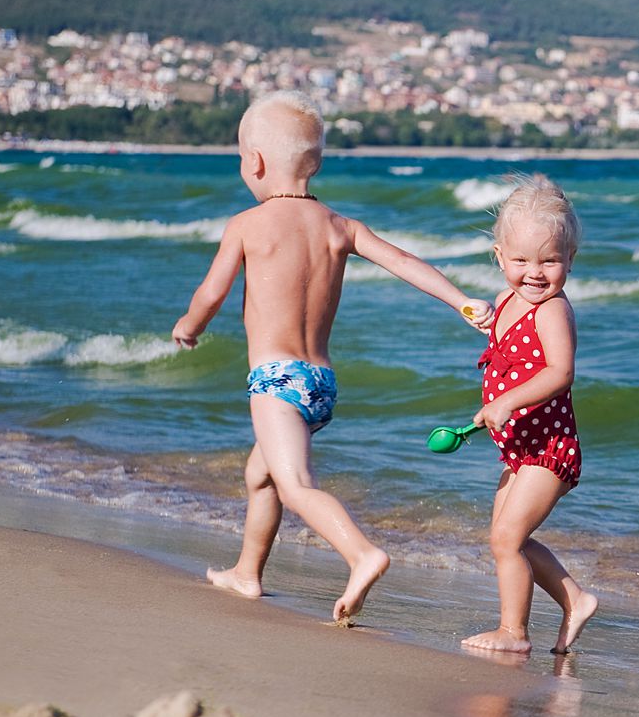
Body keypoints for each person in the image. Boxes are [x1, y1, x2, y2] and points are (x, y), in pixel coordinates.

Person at [172, 90, 491, 624]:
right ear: (314, 163)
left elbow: (211, 294)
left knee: (294, 484)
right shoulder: (341, 227)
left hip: (274, 380)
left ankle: (362, 554)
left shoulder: (247, 225)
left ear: (254, 162)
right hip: (319, 382)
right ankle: (247, 573)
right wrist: (461, 300)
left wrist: (189, 326)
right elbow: (404, 261)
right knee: (263, 474)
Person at [462, 175, 598, 655]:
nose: (535, 273)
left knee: (506, 537)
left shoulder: (553, 311)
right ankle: (574, 598)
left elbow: (560, 372)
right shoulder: (506, 301)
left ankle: (513, 632)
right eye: (520, 260)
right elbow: (508, 354)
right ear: (499, 258)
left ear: (570, 262)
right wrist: (485, 317)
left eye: (550, 261)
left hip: (549, 448)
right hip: (519, 450)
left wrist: (505, 402)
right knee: (505, 539)